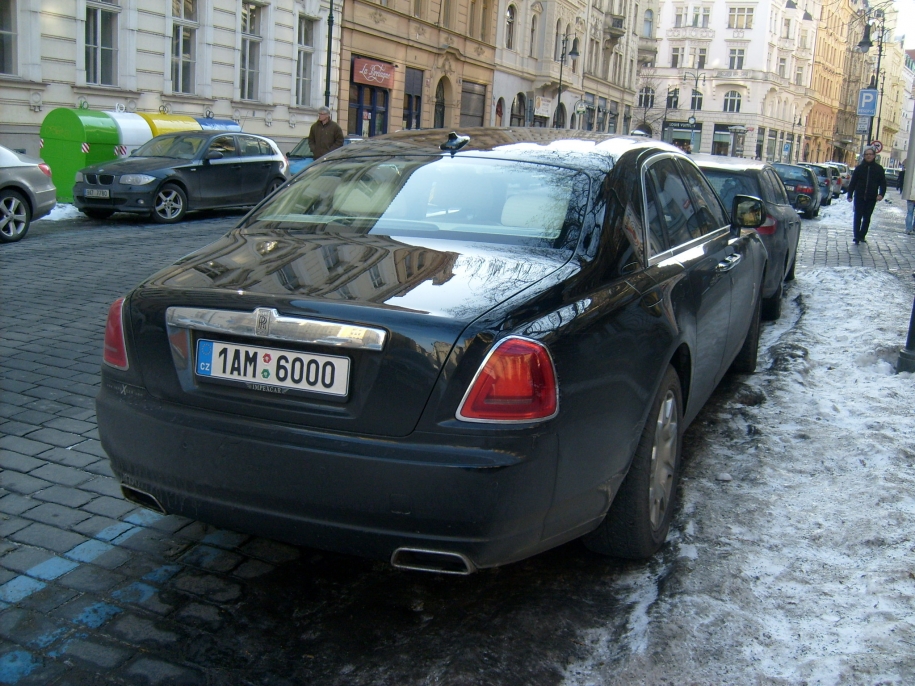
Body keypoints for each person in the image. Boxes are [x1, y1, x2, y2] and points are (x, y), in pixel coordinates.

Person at [845, 148, 886, 244]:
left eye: (870, 154)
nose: (868, 156)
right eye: (867, 154)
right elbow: (853, 182)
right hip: (859, 196)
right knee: (857, 216)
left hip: (871, 197)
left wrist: (881, 194)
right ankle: (856, 236)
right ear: (864, 156)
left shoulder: (878, 169)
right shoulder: (859, 168)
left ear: (874, 156)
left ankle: (862, 235)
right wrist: (850, 194)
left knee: (867, 217)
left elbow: (883, 183)